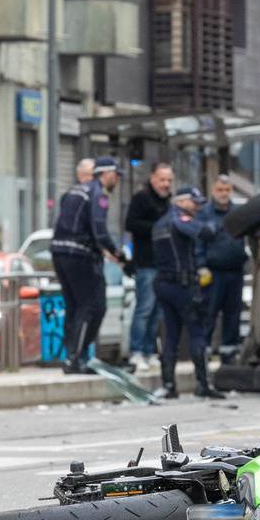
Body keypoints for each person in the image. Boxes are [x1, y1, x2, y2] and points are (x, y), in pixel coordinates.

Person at [50, 156, 124, 374]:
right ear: (105, 174)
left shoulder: (73, 191)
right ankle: (77, 357)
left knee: (74, 306)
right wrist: (114, 251)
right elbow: (99, 228)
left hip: (60, 252)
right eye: (115, 174)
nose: (117, 179)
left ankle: (71, 356)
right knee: (92, 306)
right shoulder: (98, 194)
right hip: (81, 255)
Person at [152, 185, 223, 400]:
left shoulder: (159, 223)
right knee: (197, 332)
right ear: (181, 202)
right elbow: (206, 233)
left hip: (164, 285)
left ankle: (169, 384)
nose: (198, 208)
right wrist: (214, 223)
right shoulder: (179, 220)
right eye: (195, 203)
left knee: (171, 335)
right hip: (182, 287)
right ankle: (203, 384)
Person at [124, 162, 174, 373]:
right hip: (146, 263)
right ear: (153, 178)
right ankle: (136, 351)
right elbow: (131, 224)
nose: (166, 184)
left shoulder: (169, 203)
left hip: (163, 264)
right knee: (145, 308)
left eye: (169, 180)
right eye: (162, 179)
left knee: (157, 312)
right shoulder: (142, 198)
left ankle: (148, 350)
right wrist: (157, 228)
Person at [198, 175, 249, 364]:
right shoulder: (204, 213)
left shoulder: (238, 212)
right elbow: (198, 242)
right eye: (220, 190)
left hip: (235, 271)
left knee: (233, 316)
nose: (224, 194)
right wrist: (201, 265)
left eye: (227, 190)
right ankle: (203, 357)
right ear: (213, 191)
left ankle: (229, 358)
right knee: (209, 314)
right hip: (213, 272)